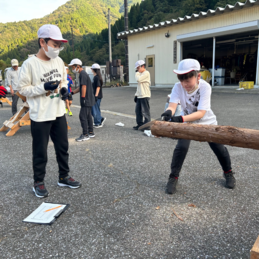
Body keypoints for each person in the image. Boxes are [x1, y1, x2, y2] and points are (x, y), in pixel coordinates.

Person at [17, 24, 81, 198]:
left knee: (63, 147)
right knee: (40, 150)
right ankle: (38, 182)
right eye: (54, 44)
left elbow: (63, 82)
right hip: (40, 114)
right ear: (42, 42)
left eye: (59, 45)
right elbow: (21, 89)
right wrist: (43, 87)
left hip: (58, 112)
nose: (57, 49)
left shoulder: (59, 61)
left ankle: (64, 176)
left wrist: (64, 90)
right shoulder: (29, 64)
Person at [161, 59, 236, 195]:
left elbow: (201, 113)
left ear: (198, 76)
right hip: (188, 122)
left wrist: (180, 118)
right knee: (181, 148)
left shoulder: (205, 87)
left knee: (218, 147)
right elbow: (173, 105)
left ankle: (228, 172)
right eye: (182, 80)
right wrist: (168, 112)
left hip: (207, 122)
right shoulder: (178, 87)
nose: (184, 84)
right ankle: (173, 177)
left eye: (188, 81)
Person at [69, 58, 95, 141]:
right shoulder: (84, 74)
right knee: (88, 116)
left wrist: (83, 98)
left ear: (78, 66)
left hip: (86, 99)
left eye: (73, 67)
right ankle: (91, 132)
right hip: (89, 99)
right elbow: (80, 87)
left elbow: (84, 86)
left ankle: (85, 134)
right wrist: (72, 93)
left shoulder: (82, 74)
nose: (72, 69)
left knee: (82, 116)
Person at [133, 60, 151, 130]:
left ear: (142, 66)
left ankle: (147, 126)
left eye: (138, 68)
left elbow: (139, 79)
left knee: (145, 111)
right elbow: (139, 87)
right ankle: (140, 124)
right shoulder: (140, 74)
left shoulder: (146, 73)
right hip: (139, 95)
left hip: (145, 95)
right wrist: (136, 95)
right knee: (138, 111)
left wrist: (137, 73)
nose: (137, 70)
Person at [91, 63, 106, 128]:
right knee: (96, 109)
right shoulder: (97, 77)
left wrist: (96, 96)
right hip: (97, 96)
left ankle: (98, 122)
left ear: (93, 69)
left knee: (95, 110)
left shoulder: (96, 77)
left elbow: (98, 87)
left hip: (97, 96)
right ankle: (100, 119)